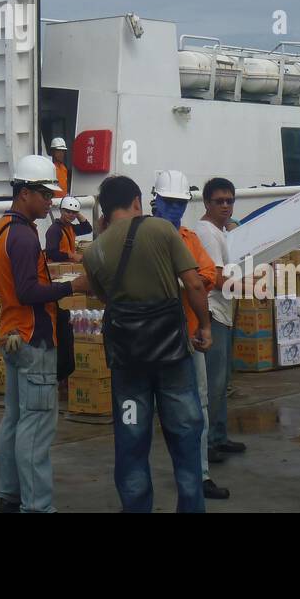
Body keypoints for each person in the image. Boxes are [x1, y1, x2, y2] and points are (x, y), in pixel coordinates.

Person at [83, 174, 212, 513]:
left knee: (131, 442)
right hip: (172, 356)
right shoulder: (161, 230)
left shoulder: (94, 250)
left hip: (128, 363)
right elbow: (195, 285)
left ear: (105, 211)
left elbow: (104, 299)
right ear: (137, 202)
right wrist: (206, 328)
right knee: (185, 439)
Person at [0, 154, 89, 513]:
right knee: (37, 428)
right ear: (25, 192)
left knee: (15, 421)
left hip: (12, 332)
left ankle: (10, 496)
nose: (50, 202)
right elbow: (29, 291)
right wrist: (71, 286)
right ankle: (38, 506)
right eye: (45, 195)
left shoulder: (0, 229)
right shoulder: (24, 237)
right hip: (34, 337)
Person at [150, 170, 228, 501]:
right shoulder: (143, 236)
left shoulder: (188, 238)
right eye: (169, 203)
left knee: (198, 405)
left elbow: (207, 274)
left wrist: (187, 280)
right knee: (143, 412)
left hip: (187, 334)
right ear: (155, 201)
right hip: (151, 338)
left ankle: (200, 473)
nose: (175, 210)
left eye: (180, 204)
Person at [194, 177, 245, 465]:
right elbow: (214, 278)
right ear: (207, 203)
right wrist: (250, 286)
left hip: (222, 312)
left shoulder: (217, 231)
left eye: (229, 200)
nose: (225, 206)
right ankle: (208, 442)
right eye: (219, 201)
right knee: (213, 383)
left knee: (222, 379)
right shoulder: (208, 233)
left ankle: (219, 436)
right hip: (212, 312)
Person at [45, 196, 91, 263]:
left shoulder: (71, 227)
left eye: (73, 212)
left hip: (68, 266)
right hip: (57, 268)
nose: (71, 215)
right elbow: (51, 254)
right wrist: (72, 256)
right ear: (61, 211)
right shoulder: (55, 230)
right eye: (68, 211)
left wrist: (77, 213)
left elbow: (87, 229)